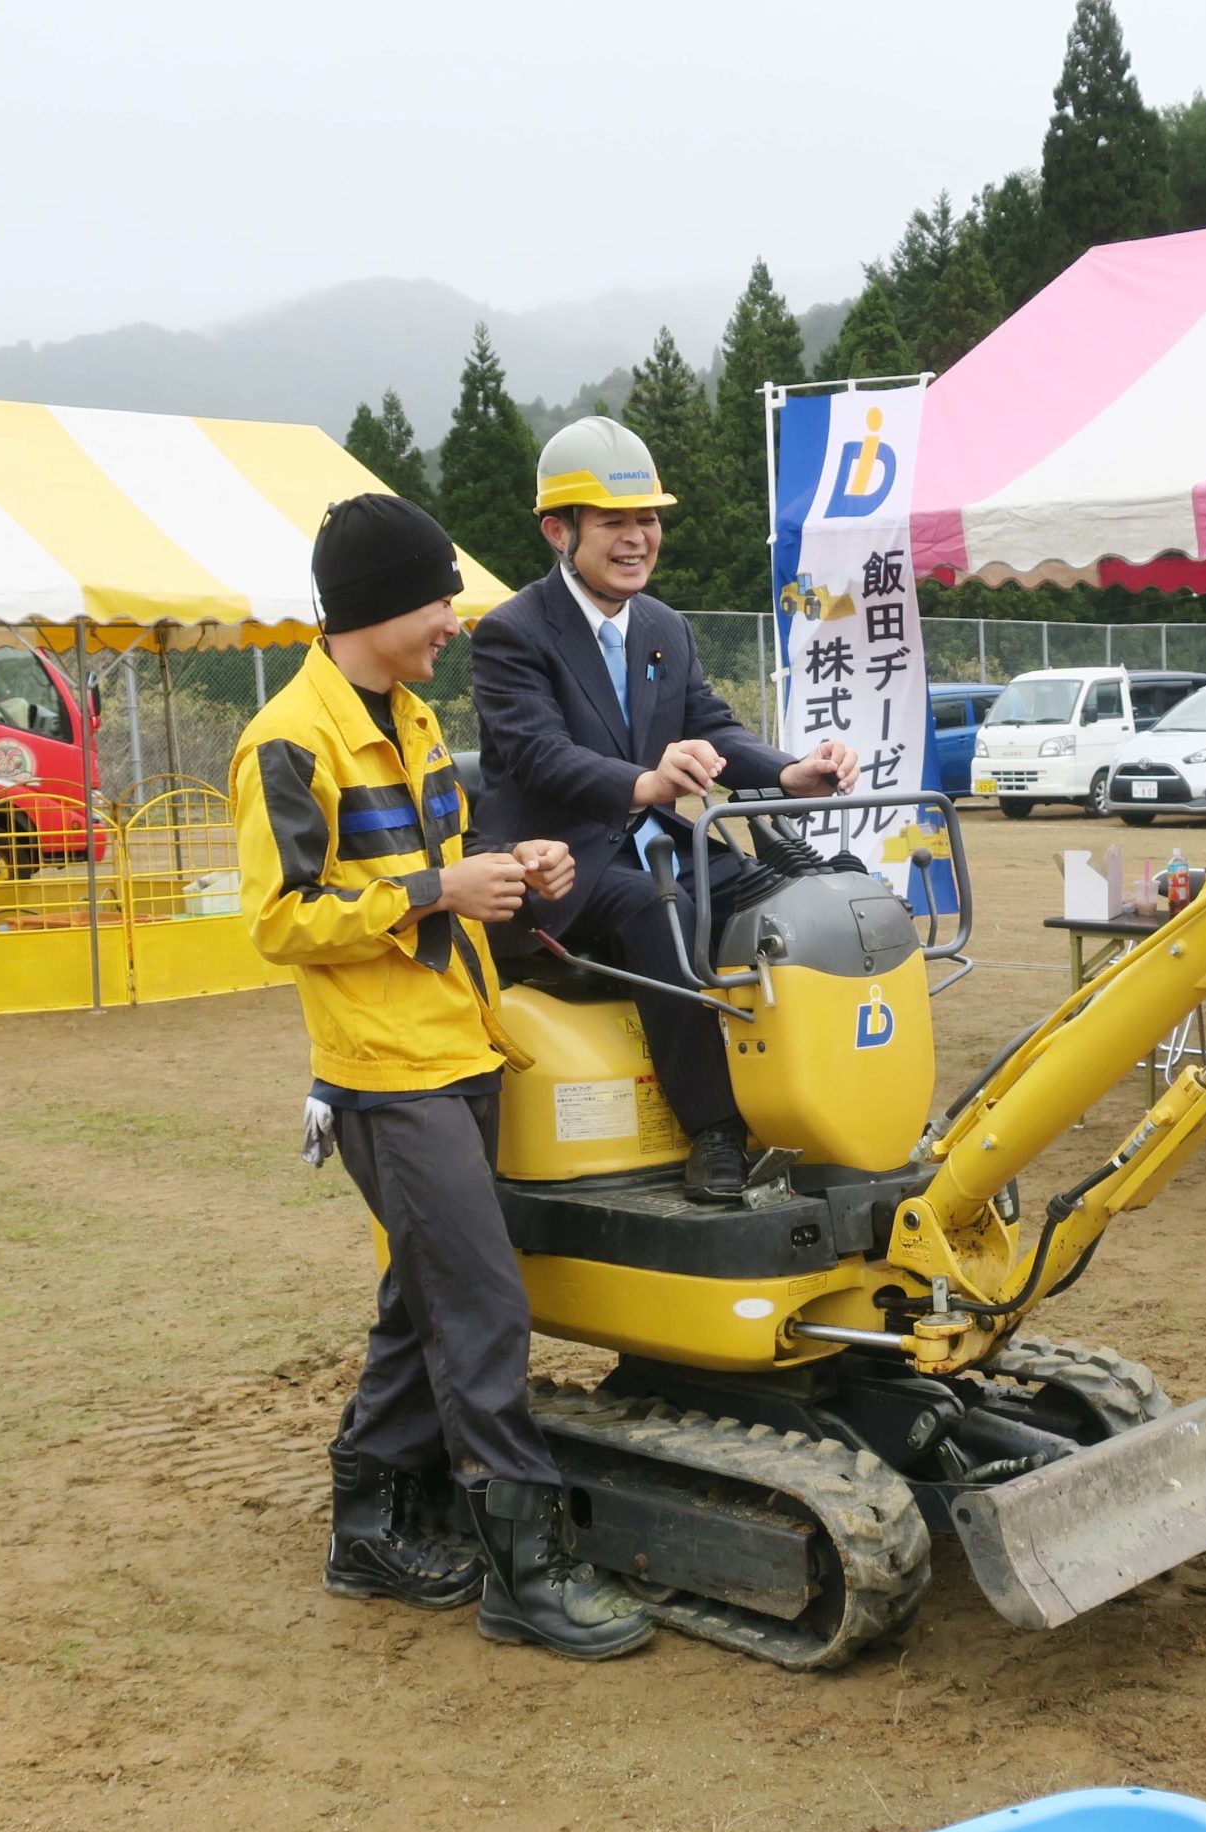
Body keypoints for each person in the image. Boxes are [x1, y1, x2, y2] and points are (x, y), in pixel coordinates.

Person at [229, 492, 654, 1662]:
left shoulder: (411, 718)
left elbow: (439, 862)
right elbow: (280, 921)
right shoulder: (286, 740)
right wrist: (437, 892)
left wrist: (511, 865)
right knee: (480, 1308)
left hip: (464, 1046)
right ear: (377, 605)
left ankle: (370, 1526)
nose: (454, 623)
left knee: (425, 1294)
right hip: (387, 1074)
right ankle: (526, 1569)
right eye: (438, 601)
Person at [470, 417, 857, 1201]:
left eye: (647, 518)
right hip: (561, 864)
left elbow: (712, 728)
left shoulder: (663, 628)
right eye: (613, 521)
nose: (637, 538)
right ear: (558, 531)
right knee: (659, 906)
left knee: (810, 899)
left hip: (662, 846)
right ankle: (714, 1131)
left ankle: (822, 1103)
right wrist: (647, 783)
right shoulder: (512, 633)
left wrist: (790, 773)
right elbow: (540, 754)